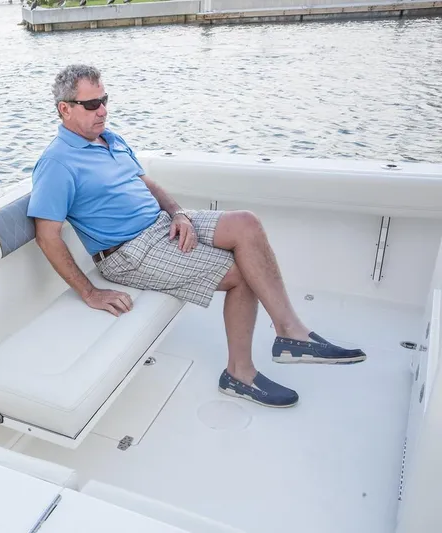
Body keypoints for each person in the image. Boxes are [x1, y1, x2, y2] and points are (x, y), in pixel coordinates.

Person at [27, 64, 366, 408]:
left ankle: (292, 333)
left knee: (246, 223)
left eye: (105, 99)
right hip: (128, 253)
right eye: (91, 104)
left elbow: (145, 184)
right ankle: (240, 375)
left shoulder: (108, 138)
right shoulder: (57, 163)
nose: (102, 110)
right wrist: (89, 292)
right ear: (64, 109)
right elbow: (47, 236)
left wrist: (178, 213)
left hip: (160, 225)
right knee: (242, 276)